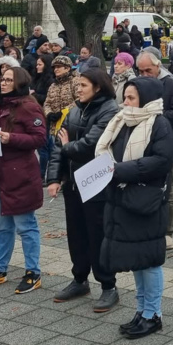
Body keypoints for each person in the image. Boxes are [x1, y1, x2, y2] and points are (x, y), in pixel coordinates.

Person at [88, 76, 173, 338]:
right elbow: (106, 152)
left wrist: (119, 171)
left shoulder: (160, 124)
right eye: (124, 97)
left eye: (131, 98)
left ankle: (154, 314)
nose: (124, 102)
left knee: (149, 262)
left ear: (146, 99)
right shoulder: (121, 122)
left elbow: (161, 161)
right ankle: (141, 311)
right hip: (122, 200)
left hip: (146, 202)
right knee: (136, 260)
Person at [45, 68, 120, 309]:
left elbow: (91, 145)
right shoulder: (75, 109)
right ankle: (80, 279)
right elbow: (59, 145)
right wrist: (54, 179)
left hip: (97, 183)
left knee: (97, 235)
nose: (78, 89)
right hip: (74, 184)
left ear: (98, 87)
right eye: (77, 85)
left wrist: (68, 146)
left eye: (83, 85)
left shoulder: (109, 109)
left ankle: (108, 285)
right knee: (76, 234)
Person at [0, 67, 46, 294]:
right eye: (2, 79)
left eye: (8, 80)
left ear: (19, 83)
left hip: (20, 175)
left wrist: (12, 138)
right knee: (1, 225)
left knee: (26, 226)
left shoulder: (28, 106)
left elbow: (40, 138)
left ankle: (33, 272)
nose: (3, 83)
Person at [136, 49, 173, 249]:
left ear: (158, 66)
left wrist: (155, 117)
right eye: (140, 71)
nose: (143, 75)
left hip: (164, 143)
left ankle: (167, 231)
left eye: (148, 70)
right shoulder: (138, 83)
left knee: (166, 187)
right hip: (140, 143)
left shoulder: (172, 83)